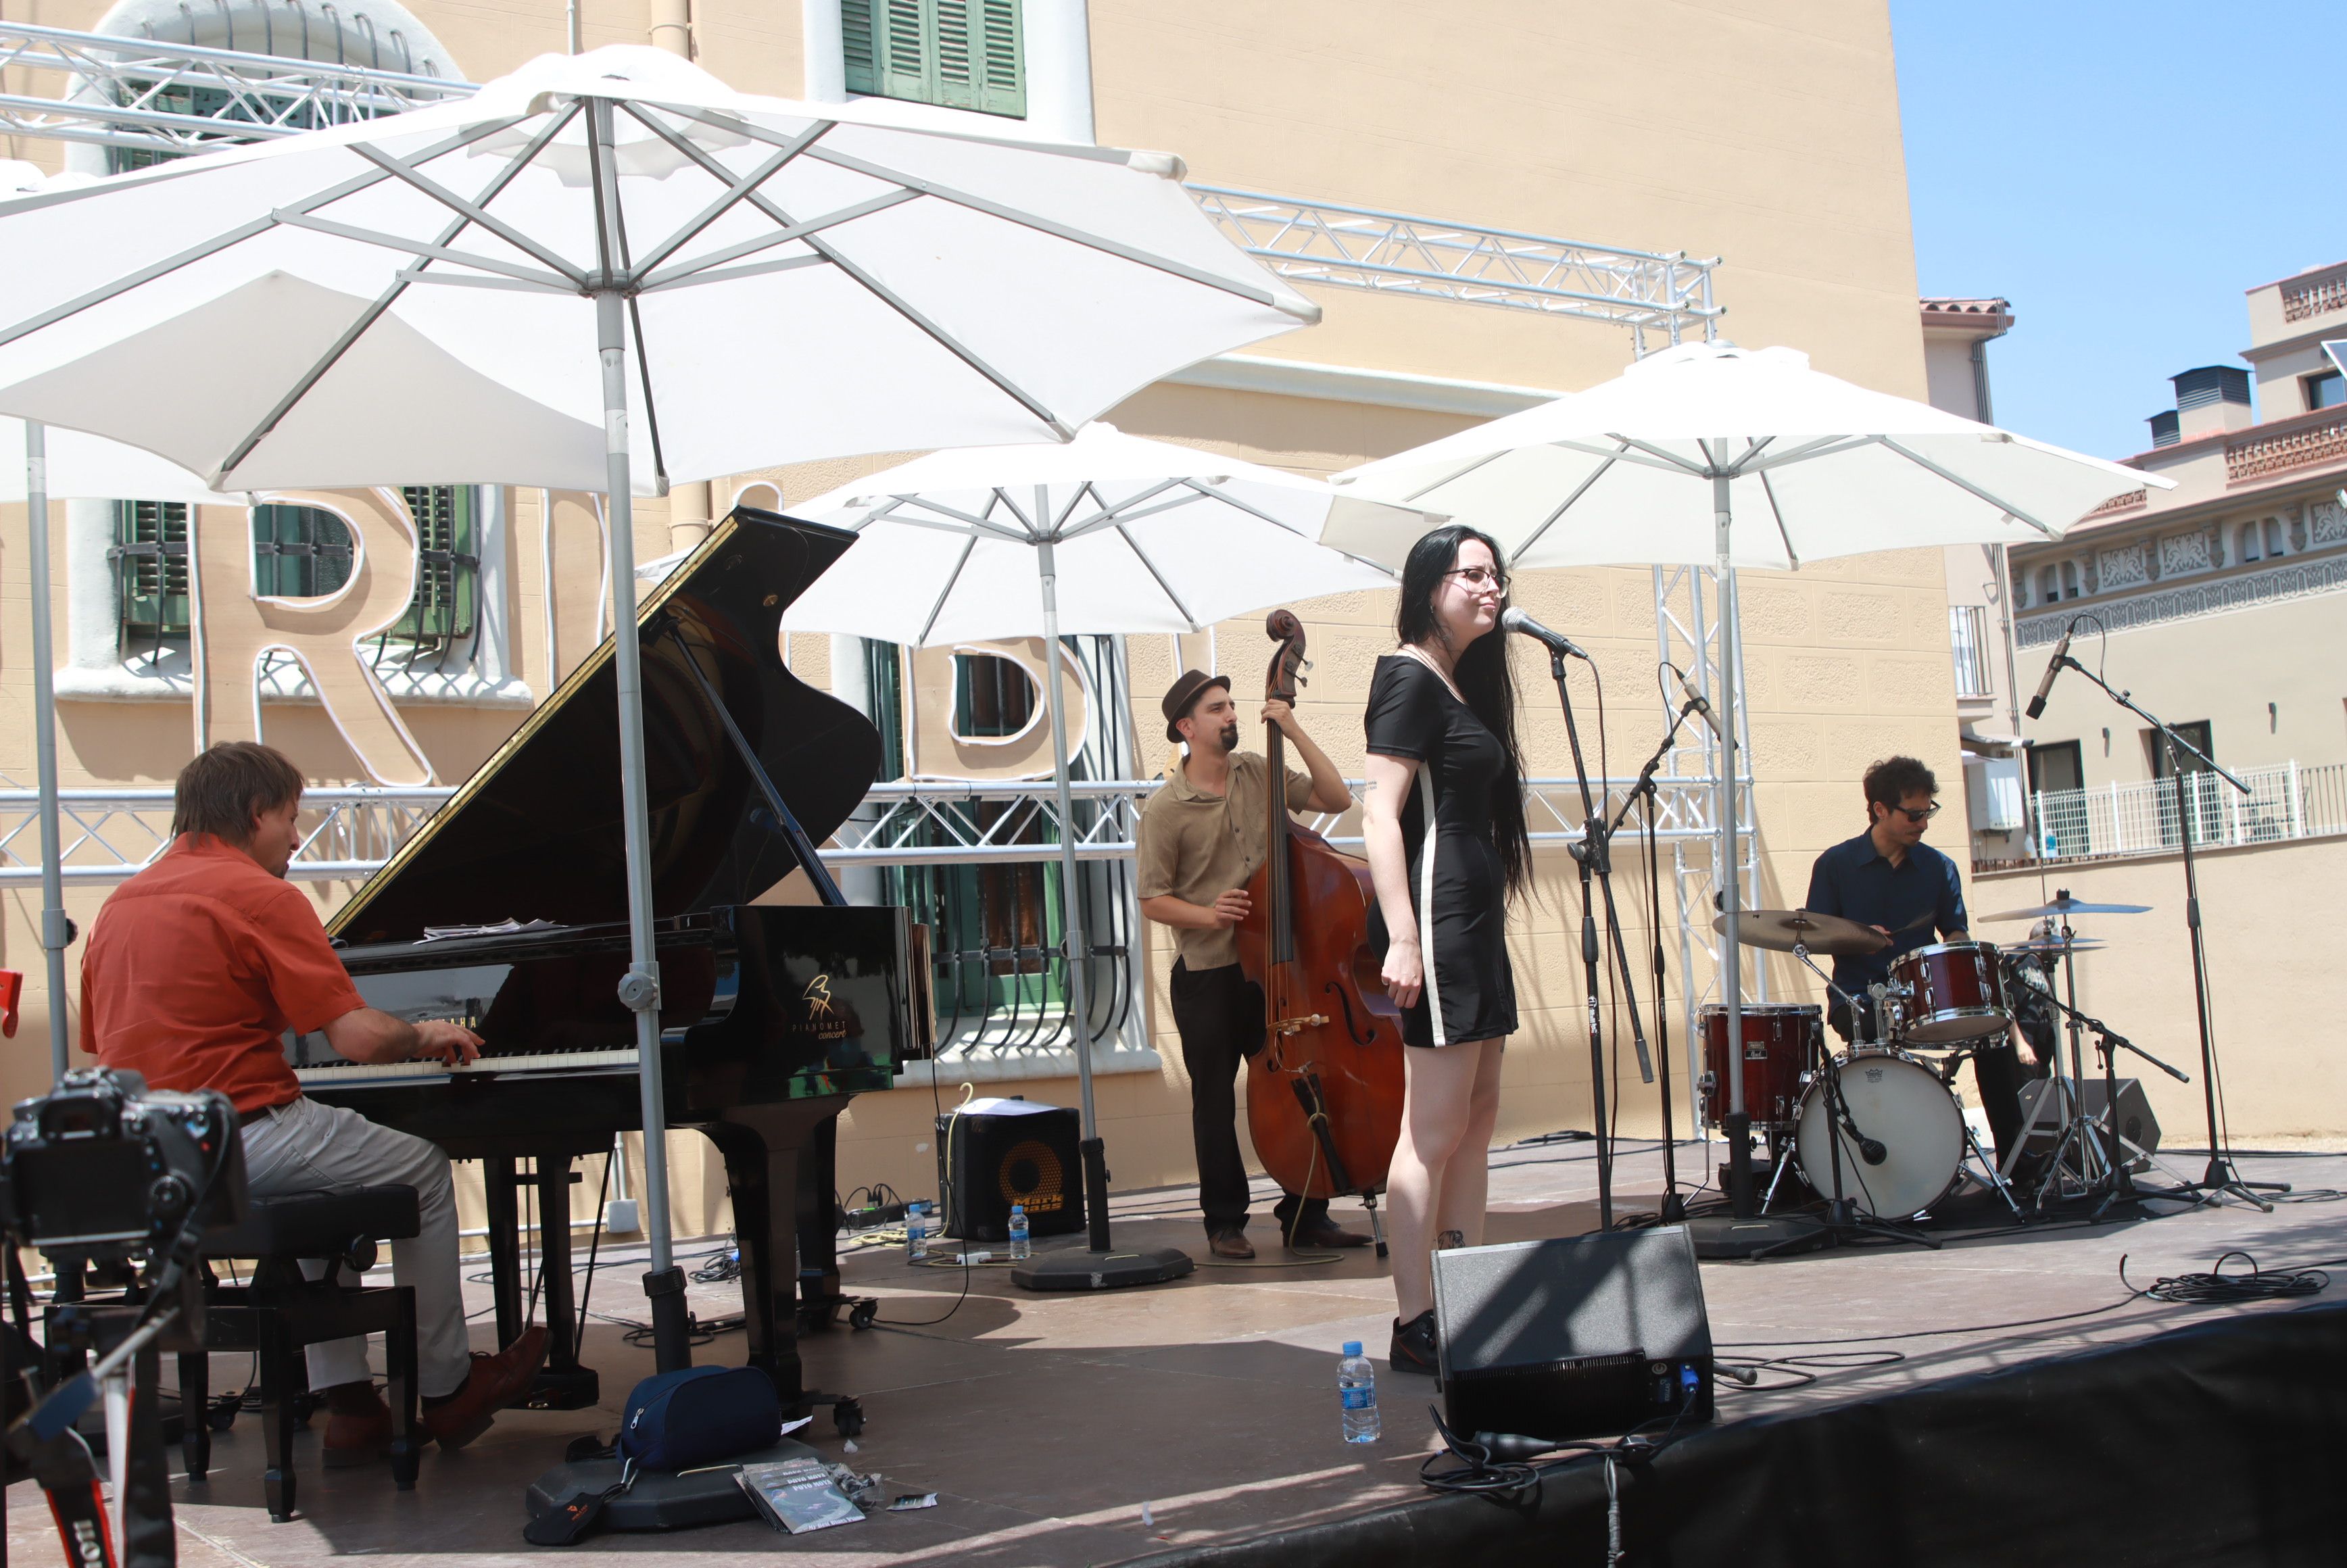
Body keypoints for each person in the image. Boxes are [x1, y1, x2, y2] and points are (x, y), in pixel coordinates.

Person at [79, 742, 547, 1469]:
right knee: (419, 1167)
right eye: (291, 819)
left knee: (329, 1187)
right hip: (241, 1138)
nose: (297, 839)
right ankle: (449, 1387)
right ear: (256, 812)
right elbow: (361, 1039)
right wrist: (426, 1031)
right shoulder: (261, 895)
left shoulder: (119, 905)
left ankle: (355, 1407)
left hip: (148, 1155)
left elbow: (109, 1042)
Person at [1359, 525, 1532, 1376]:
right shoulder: (1405, 676)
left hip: (1475, 917)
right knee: (1429, 1129)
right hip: (1437, 920)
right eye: (1471, 574)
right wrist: (1401, 935)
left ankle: (1464, 1289)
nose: (1489, 587)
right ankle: (1413, 1317)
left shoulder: (1456, 685)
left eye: (1495, 574)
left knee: (1478, 1117)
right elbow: (1376, 812)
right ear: (1430, 585)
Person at [1138, 670, 1371, 1259]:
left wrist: (1291, 727)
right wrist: (1208, 914)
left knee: (1302, 1079)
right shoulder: (1166, 809)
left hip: (1277, 966)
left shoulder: (1259, 771)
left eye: (1231, 706)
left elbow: (1337, 799)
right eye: (1217, 709)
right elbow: (1151, 899)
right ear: (1187, 728)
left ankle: (1306, 1211)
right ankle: (1224, 1222)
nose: (1231, 715)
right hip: (1211, 973)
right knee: (1214, 1101)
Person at [1803, 755, 2037, 1159]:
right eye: (1913, 815)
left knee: (1994, 1035)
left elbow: (1956, 931)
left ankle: (2017, 1161)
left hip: (1925, 996)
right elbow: (1815, 935)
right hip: (1859, 997)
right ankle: (1892, 1156)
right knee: (1872, 1039)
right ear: (1880, 809)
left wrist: (1960, 954)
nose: (1923, 823)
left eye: (1927, 812)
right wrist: (1858, 936)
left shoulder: (1939, 867)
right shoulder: (1835, 865)